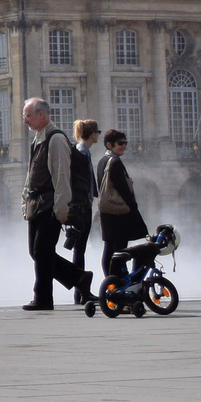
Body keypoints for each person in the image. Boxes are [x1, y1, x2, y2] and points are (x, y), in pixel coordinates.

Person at [19, 97, 93, 311]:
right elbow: (31, 174)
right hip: (37, 203)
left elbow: (61, 175)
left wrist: (62, 208)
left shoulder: (56, 138)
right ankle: (79, 277)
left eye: (28, 115)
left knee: (42, 251)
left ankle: (43, 298)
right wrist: (25, 199)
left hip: (51, 204)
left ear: (41, 114)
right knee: (36, 252)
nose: (25, 120)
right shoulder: (38, 138)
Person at [95, 129, 147, 280]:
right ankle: (118, 280)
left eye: (125, 143)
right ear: (109, 144)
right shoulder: (115, 162)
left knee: (108, 248)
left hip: (106, 211)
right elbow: (124, 190)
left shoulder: (101, 161)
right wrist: (134, 209)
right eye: (120, 143)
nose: (124, 146)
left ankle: (109, 281)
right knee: (119, 249)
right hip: (118, 212)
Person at [67, 119, 100, 299]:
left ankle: (80, 292)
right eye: (98, 132)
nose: (98, 136)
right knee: (79, 249)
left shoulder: (83, 150)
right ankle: (80, 291)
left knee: (80, 249)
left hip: (83, 204)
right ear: (92, 133)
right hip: (81, 206)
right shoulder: (82, 151)